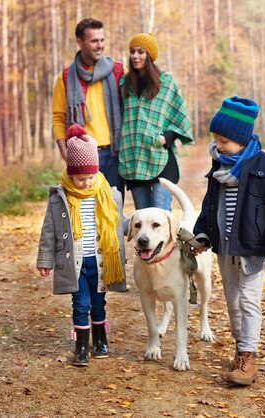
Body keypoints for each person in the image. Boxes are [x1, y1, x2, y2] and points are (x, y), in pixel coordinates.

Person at [193, 96, 265, 385]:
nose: (218, 146)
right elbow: (210, 204)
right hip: (225, 247)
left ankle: (249, 356)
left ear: (241, 139)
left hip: (253, 248)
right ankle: (240, 348)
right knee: (233, 301)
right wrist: (202, 235)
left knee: (248, 300)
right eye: (216, 140)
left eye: (223, 141)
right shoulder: (219, 166)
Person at [37, 124, 127, 367]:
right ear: (70, 173)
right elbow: (49, 231)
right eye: (80, 178)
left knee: (98, 304)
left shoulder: (108, 195)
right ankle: (81, 347)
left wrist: (140, 232)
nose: (86, 183)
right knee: (81, 304)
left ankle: (100, 341)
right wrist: (45, 261)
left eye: (90, 177)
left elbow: (120, 224)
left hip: (99, 261)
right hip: (74, 263)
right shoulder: (60, 198)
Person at [118, 33, 194, 211]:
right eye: (132, 52)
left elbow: (179, 117)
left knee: (161, 215)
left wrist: (165, 138)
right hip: (134, 157)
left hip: (161, 157)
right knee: (143, 218)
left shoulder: (166, 83)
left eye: (140, 52)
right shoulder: (124, 84)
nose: (135, 56)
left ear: (149, 55)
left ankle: (167, 241)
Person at [51, 18, 125, 200]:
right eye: (94, 41)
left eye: (102, 40)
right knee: (87, 211)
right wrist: (65, 152)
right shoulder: (66, 77)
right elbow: (59, 118)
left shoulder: (117, 71)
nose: (100, 45)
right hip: (82, 155)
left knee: (114, 208)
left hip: (115, 152)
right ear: (80, 42)